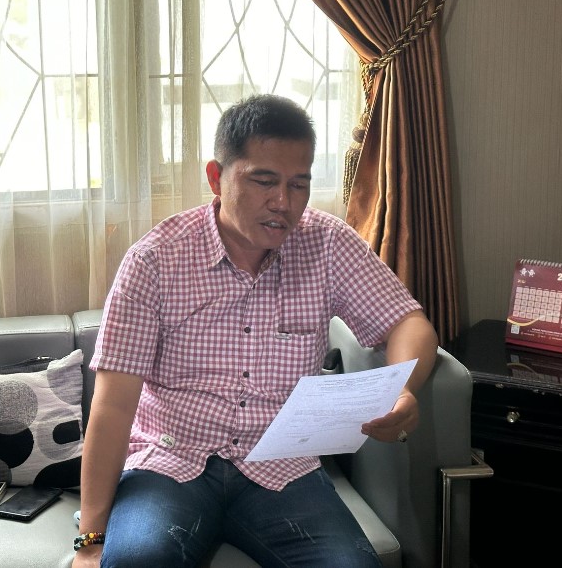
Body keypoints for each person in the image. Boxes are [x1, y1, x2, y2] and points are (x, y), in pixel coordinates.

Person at [73, 94, 439, 567]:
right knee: (135, 561)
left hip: (283, 466)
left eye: (298, 184)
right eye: (264, 181)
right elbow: (113, 406)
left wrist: (402, 389)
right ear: (216, 178)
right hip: (171, 460)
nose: (283, 203)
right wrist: (90, 541)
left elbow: (408, 322)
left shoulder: (327, 244)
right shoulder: (155, 260)